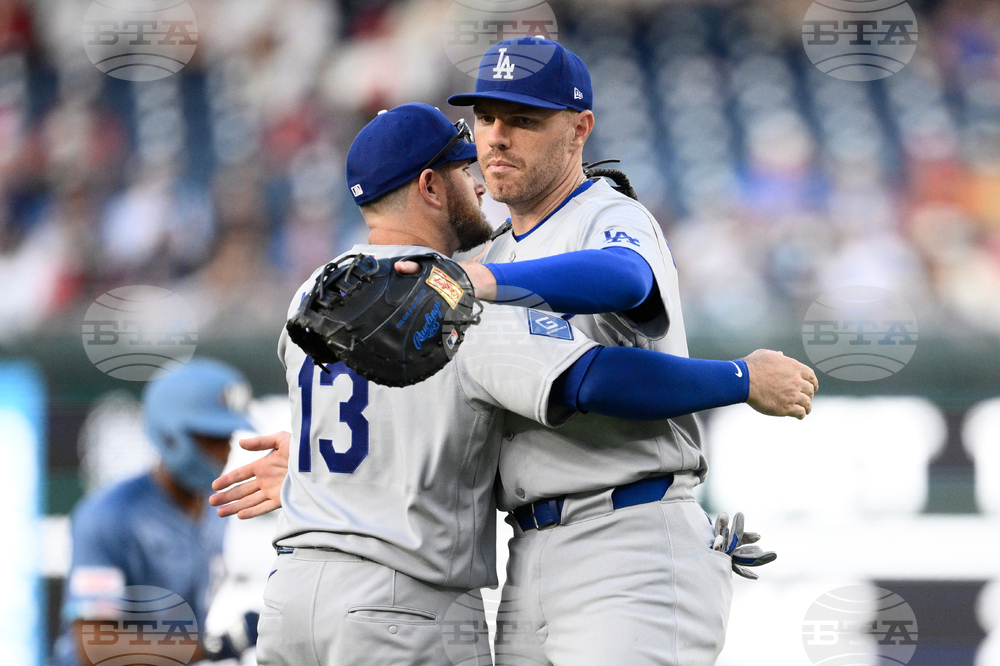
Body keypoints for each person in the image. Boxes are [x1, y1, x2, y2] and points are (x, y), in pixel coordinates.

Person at [210, 103, 816, 665]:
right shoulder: (449, 297)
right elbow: (590, 378)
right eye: (463, 169)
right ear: (430, 187)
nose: (480, 183)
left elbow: (375, 418)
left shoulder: (312, 295)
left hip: (292, 595)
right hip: (399, 605)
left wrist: (319, 471)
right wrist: (740, 378)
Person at [51, 359, 253, 666]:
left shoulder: (215, 507)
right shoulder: (109, 515)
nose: (225, 451)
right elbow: (93, 647)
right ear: (170, 434)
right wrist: (214, 646)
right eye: (211, 438)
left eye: (228, 438)